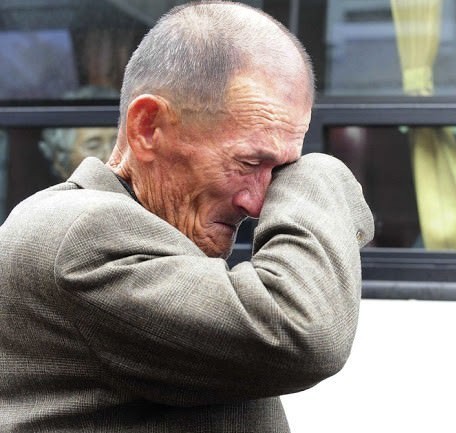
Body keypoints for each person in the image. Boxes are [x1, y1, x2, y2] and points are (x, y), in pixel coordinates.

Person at [0, 2, 374, 431]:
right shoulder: (84, 236)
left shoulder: (132, 230)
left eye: (282, 170)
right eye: (250, 163)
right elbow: (301, 332)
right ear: (148, 129)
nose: (258, 205)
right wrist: (319, 171)